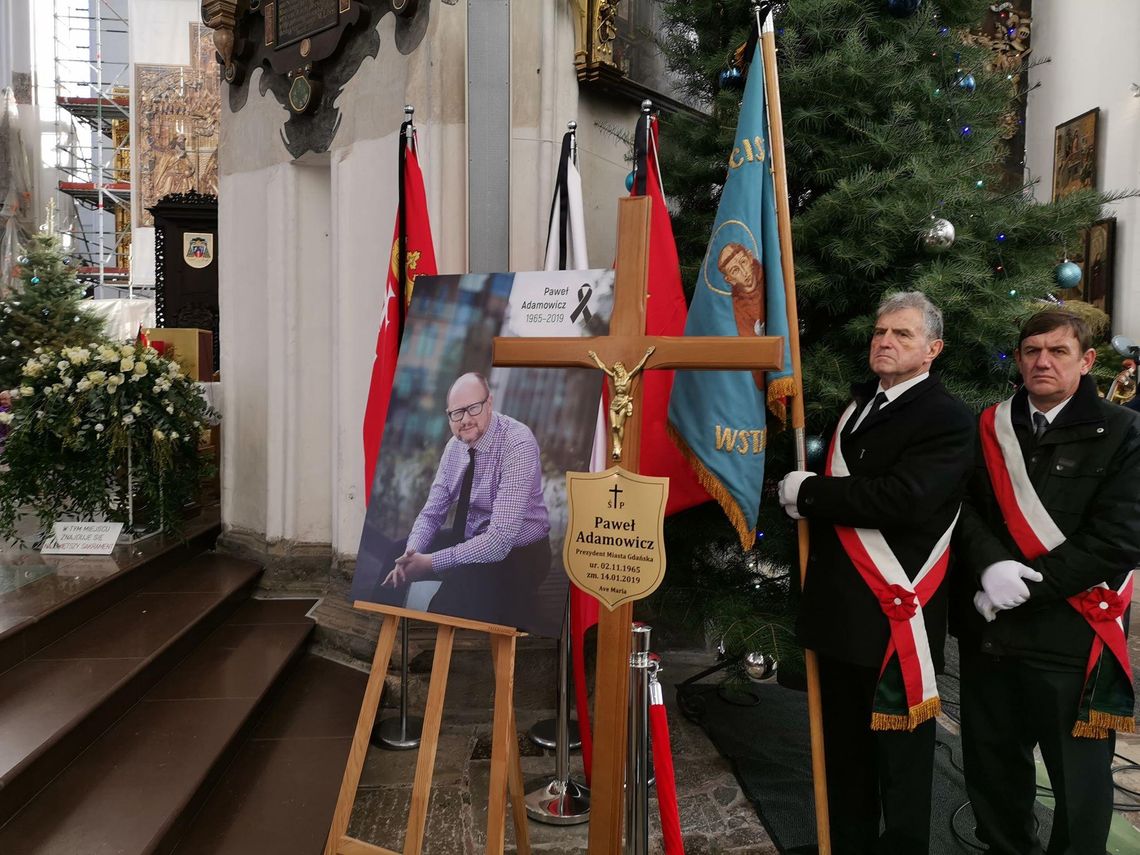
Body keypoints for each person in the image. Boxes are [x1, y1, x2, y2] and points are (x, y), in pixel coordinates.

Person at [777, 291, 975, 854]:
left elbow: (904, 500)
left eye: (903, 335)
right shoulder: (861, 403)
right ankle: (848, 844)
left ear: (933, 349)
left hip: (893, 615)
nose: (885, 341)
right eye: (880, 332)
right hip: (842, 611)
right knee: (845, 753)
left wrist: (811, 491)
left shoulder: (946, 416)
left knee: (902, 761)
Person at [952, 309, 1140, 855]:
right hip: (992, 631)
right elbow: (961, 506)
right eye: (1032, 350)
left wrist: (1026, 588)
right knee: (991, 769)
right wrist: (989, 567)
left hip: (1071, 636)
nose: (1042, 361)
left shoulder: (1124, 431)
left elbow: (1120, 537)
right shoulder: (988, 425)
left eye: (1058, 351)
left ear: (1085, 361)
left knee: (1078, 783)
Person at [381, 372, 552, 626]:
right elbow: (432, 513)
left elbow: (499, 541)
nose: (466, 419)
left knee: (454, 594)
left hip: (520, 554)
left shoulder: (518, 443)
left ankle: (429, 657)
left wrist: (429, 563)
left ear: (489, 403)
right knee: (394, 554)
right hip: (472, 537)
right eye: (457, 413)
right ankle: (381, 639)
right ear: (449, 416)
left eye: (473, 408)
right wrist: (411, 554)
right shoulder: (454, 447)